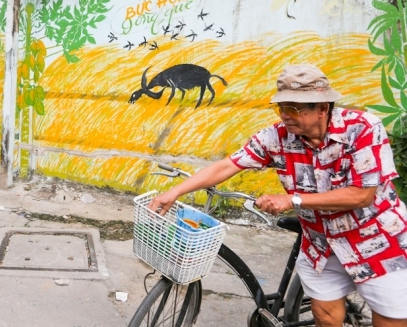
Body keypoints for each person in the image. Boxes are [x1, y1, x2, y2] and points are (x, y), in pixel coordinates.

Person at [148, 64, 407, 327]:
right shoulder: (277, 137)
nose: (285, 115)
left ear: (322, 108)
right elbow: (229, 164)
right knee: (326, 317)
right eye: (281, 107)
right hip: (321, 245)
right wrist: (175, 191)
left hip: (378, 242)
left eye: (293, 108)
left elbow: (361, 195)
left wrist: (291, 200)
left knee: (390, 321)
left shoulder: (362, 129)